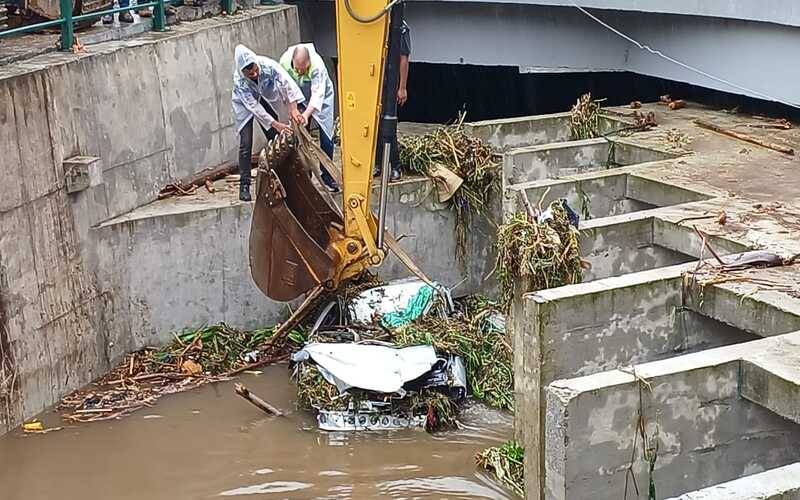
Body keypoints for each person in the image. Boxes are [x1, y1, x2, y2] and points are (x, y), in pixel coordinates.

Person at [232, 44, 304, 202]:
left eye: (256, 70)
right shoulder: (240, 82)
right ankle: (244, 185)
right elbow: (254, 108)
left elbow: (286, 84)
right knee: (246, 142)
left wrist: (293, 109)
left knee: (274, 138)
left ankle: (282, 174)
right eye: (250, 74)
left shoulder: (268, 65)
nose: (255, 74)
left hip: (262, 97)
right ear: (243, 73)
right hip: (246, 104)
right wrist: (277, 124)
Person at [279, 43, 340, 192]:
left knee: (326, 137)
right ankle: (305, 174)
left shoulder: (317, 66)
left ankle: (327, 176)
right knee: (300, 137)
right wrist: (293, 110)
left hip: (321, 99)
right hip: (298, 97)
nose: (300, 72)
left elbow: (317, 95)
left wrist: (306, 114)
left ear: (309, 63)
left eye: (303, 70)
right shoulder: (284, 63)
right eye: (297, 69)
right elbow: (284, 89)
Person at [374, 19, 411, 181]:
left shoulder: (401, 27)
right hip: (375, 80)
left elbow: (404, 58)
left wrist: (402, 87)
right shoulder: (375, 21)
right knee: (374, 123)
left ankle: (395, 166)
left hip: (390, 81)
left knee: (388, 124)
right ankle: (377, 164)